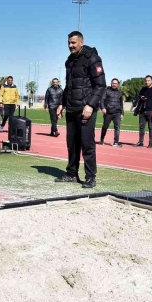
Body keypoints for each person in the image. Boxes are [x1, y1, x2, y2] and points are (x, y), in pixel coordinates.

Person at [56, 31, 106, 188]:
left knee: (87, 143)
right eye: (69, 43)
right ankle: (71, 173)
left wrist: (90, 105)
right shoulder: (69, 61)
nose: (70, 45)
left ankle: (91, 177)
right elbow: (68, 86)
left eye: (73, 43)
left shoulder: (92, 58)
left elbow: (100, 85)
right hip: (71, 108)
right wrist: (62, 103)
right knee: (72, 143)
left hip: (86, 109)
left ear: (81, 43)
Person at [133, 75, 152, 148]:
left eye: (148, 80)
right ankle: (140, 142)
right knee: (141, 127)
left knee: (151, 127)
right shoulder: (143, 89)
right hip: (142, 111)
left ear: (151, 81)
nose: (147, 82)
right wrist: (141, 97)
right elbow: (139, 96)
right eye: (146, 80)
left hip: (151, 111)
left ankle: (150, 143)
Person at [98, 78, 124, 147]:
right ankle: (101, 139)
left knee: (117, 127)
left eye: (115, 83)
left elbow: (121, 104)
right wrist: (103, 108)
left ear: (118, 85)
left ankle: (116, 142)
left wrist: (122, 113)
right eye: (113, 83)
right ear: (111, 83)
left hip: (117, 113)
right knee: (105, 127)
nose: (114, 84)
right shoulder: (106, 91)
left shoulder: (120, 93)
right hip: (108, 113)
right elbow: (102, 100)